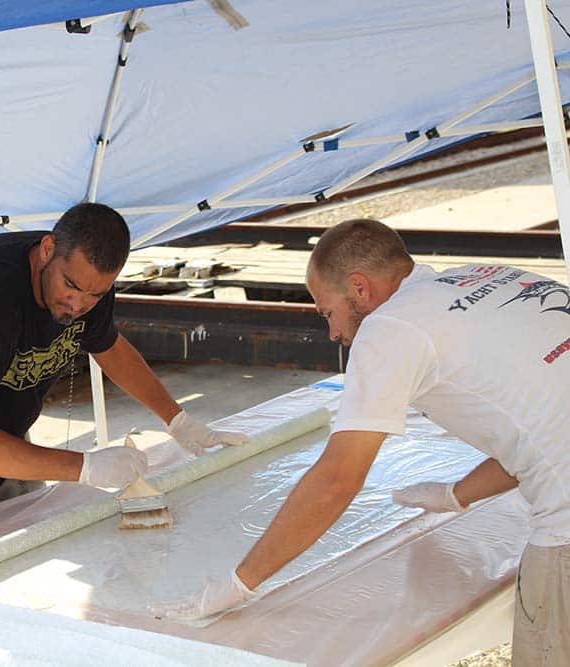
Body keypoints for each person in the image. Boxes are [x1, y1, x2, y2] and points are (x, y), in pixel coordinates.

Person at [152, 219, 570, 664]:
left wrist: (241, 582)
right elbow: (544, 428)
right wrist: (455, 495)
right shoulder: (494, 278)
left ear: (359, 288)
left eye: (327, 312)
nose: (333, 333)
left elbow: (337, 479)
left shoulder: (389, 327)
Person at [0, 202, 247, 530]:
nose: (78, 306)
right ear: (47, 249)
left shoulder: (89, 286)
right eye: (71, 287)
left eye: (94, 295)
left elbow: (109, 346)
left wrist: (176, 419)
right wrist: (86, 467)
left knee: (23, 548)